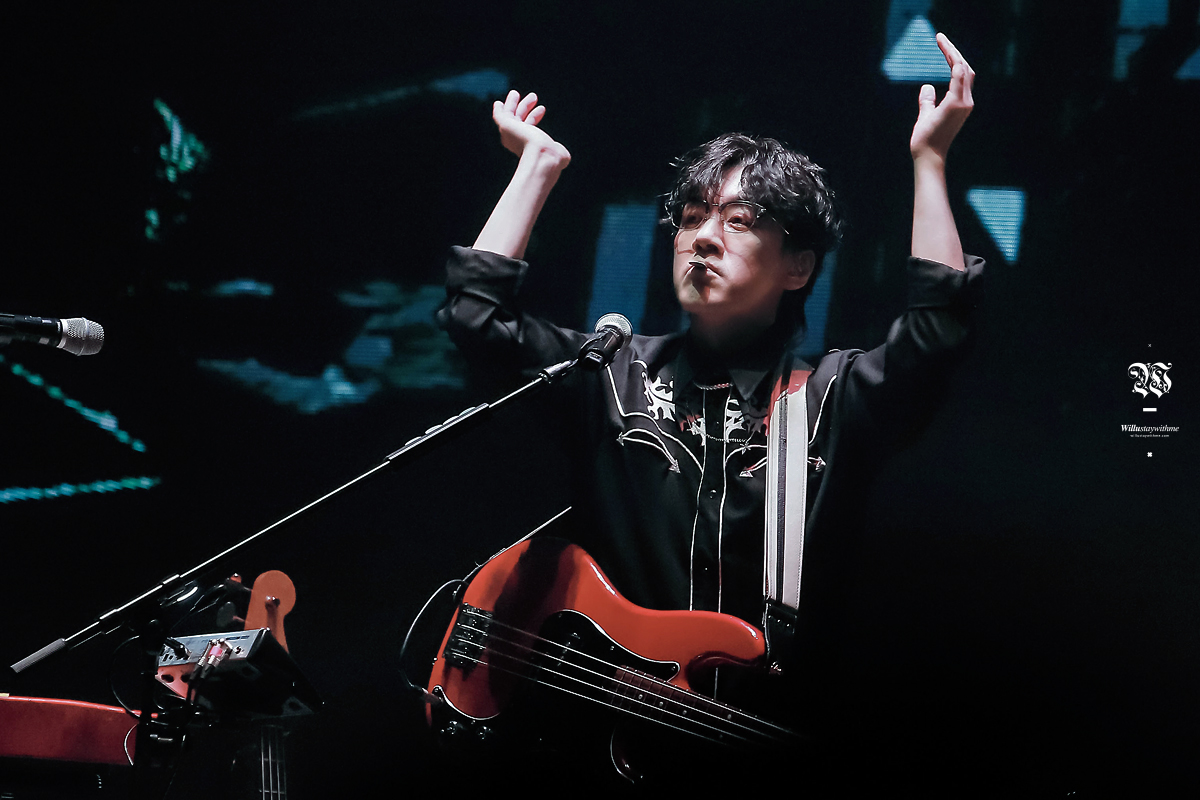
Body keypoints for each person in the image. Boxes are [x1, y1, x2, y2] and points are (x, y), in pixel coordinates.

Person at [436, 33, 983, 791]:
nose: (701, 238)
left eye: (738, 221)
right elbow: (476, 317)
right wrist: (536, 167)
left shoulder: (832, 397)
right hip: (596, 754)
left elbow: (935, 333)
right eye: (692, 217)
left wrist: (929, 159)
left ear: (798, 267)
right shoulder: (610, 374)